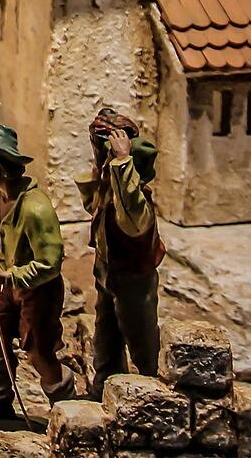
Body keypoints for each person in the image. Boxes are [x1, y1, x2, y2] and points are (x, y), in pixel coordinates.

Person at [0, 123, 76, 422]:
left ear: (2, 161)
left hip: (38, 291)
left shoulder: (35, 208)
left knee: (39, 353)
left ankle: (68, 410)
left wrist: (7, 276)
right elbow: (6, 244)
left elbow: (50, 263)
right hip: (11, 287)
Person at [77, 107, 165, 397]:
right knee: (106, 339)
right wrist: (100, 166)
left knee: (142, 342)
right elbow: (94, 204)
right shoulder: (109, 192)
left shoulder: (135, 204)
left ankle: (152, 394)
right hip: (108, 273)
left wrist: (122, 161)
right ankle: (104, 388)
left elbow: (128, 206)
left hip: (133, 280)